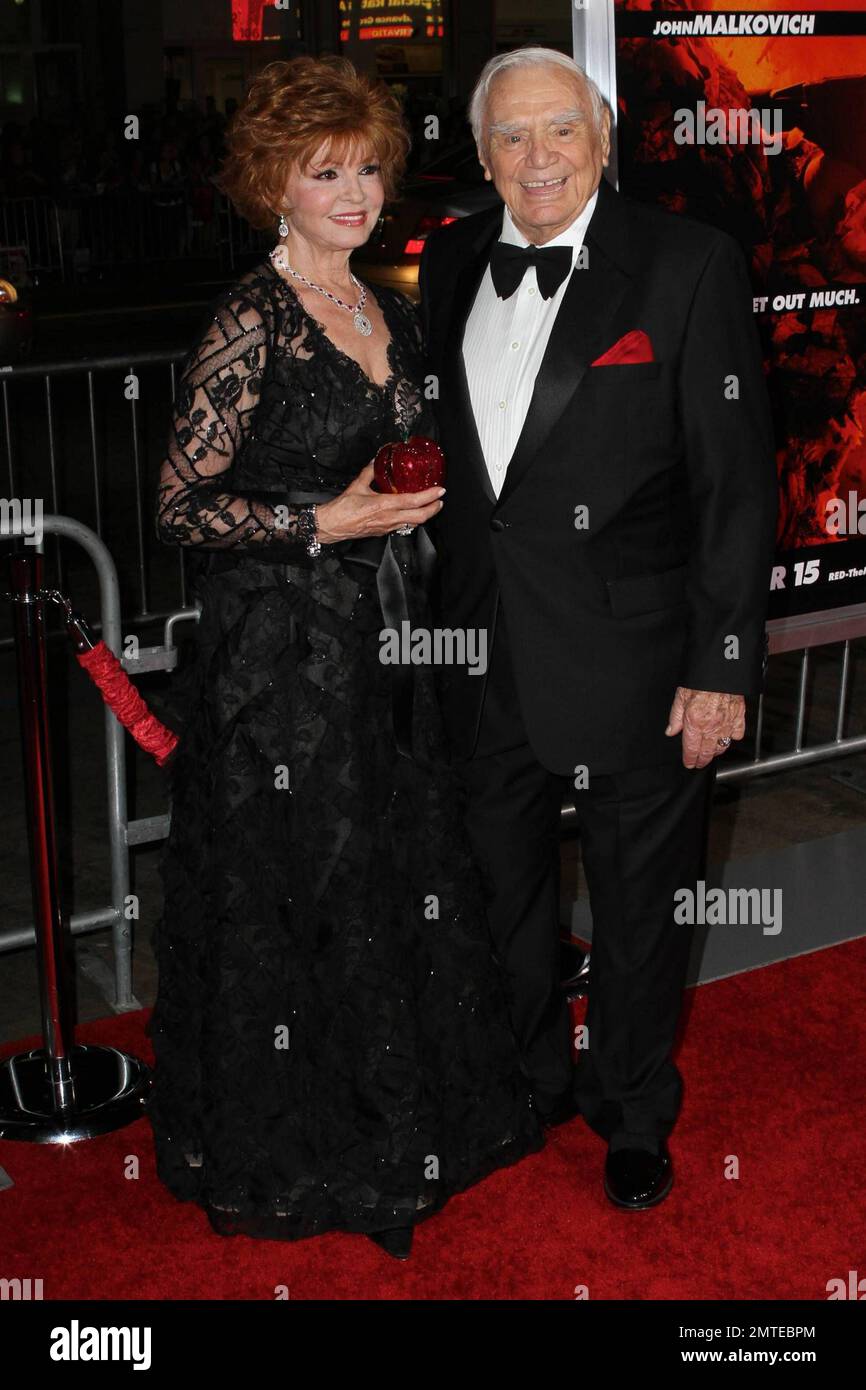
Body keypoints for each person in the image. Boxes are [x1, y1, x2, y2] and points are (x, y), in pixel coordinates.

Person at [147, 56, 543, 1260]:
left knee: (394, 867)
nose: (357, 191)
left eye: (368, 165)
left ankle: (404, 1123)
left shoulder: (384, 303)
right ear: (277, 183)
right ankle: (312, 1150)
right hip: (281, 659)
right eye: (327, 173)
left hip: (390, 639)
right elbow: (176, 504)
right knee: (308, 886)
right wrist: (326, 521)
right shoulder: (249, 318)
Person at [420, 47, 778, 1210]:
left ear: (601, 139)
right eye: (510, 137)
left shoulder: (685, 266)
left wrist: (719, 665)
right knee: (502, 894)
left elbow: (734, 486)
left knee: (638, 902)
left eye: (557, 132)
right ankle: (528, 1082)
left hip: (636, 652)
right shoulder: (455, 256)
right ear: (480, 155)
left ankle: (630, 1107)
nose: (535, 158)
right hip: (479, 652)